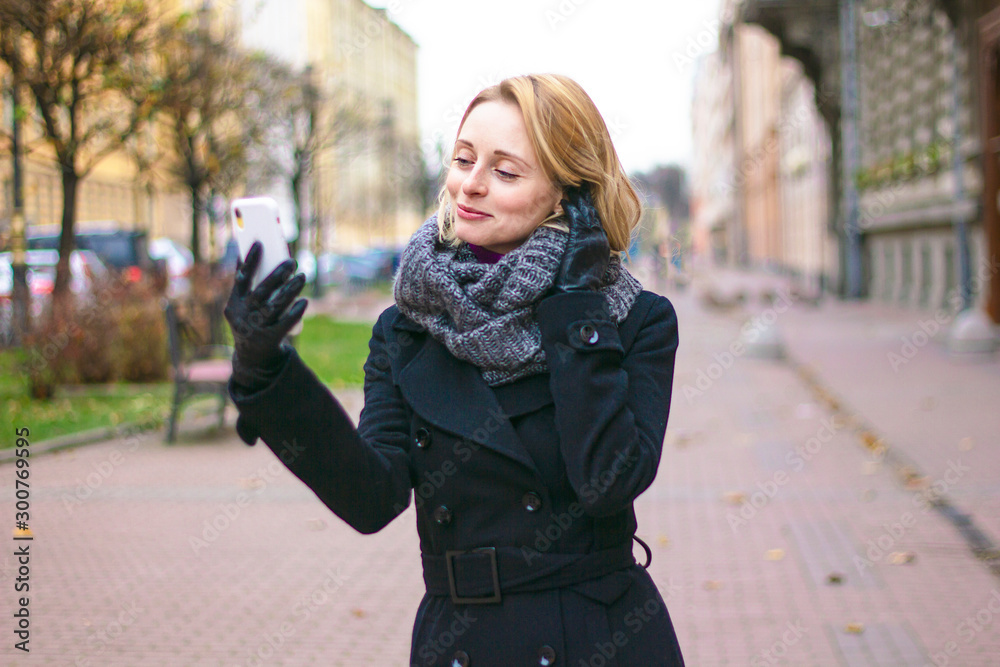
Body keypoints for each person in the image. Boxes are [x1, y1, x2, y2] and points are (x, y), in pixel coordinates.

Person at [225, 73, 684, 666]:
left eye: (505, 171)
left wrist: (575, 308)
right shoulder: (409, 326)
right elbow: (370, 496)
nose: (470, 185)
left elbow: (609, 482)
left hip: (597, 638)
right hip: (461, 640)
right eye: (464, 159)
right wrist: (266, 370)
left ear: (567, 194)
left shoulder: (631, 320)